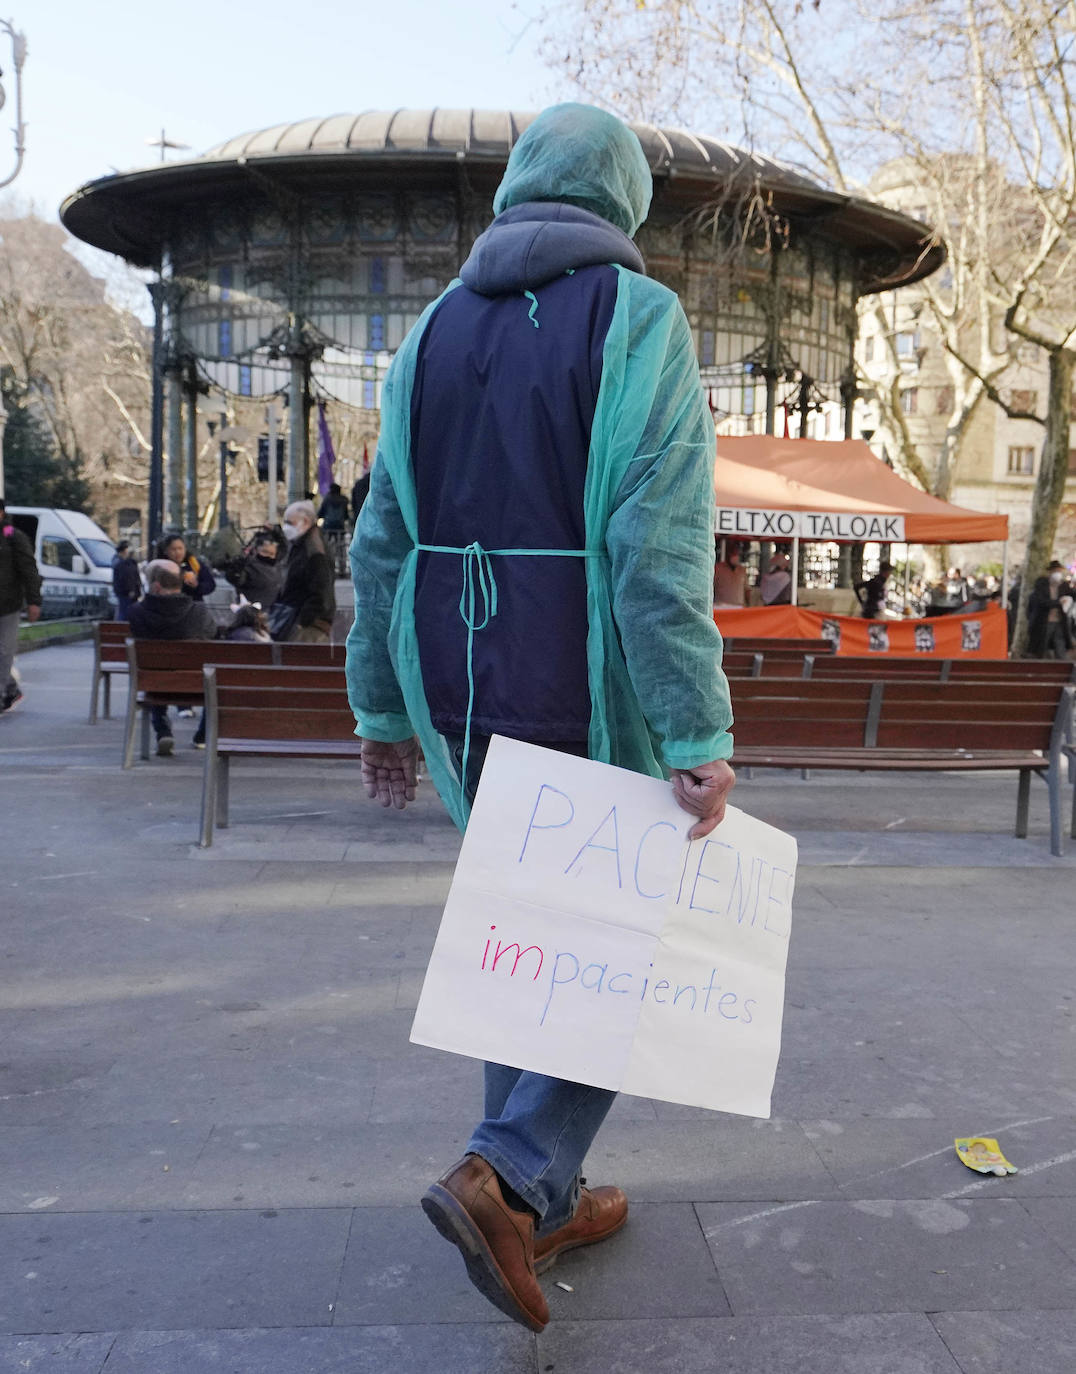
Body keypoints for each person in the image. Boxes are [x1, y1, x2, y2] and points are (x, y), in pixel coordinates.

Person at [347, 103, 735, 1333]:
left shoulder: (428, 333)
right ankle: (508, 1171)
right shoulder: (637, 319)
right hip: (584, 674)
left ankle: (545, 1190)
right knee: (622, 944)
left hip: (458, 679)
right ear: (618, 199)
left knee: (524, 933)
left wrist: (378, 705)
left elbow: (378, 542)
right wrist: (692, 729)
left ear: (518, 188)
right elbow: (653, 543)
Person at [127, 559, 216, 754]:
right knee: (214, 679)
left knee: (156, 670)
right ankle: (202, 736)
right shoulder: (199, 612)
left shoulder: (136, 613)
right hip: (198, 684)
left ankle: (163, 730)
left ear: (156, 586)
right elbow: (213, 635)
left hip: (152, 682)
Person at [0, 495, 42, 714]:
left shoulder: (12, 537)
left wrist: (34, 601)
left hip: (8, 605)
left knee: (4, 652)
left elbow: (29, 570)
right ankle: (10, 689)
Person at [273, 500, 336, 642]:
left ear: (305, 522)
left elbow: (321, 591)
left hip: (308, 625)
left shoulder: (314, 550)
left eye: (290, 523)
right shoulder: (303, 544)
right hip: (298, 620)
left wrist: (302, 621)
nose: (286, 527)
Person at [220, 527, 285, 610]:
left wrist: (276, 531)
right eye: (265, 552)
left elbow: (285, 547)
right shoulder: (249, 565)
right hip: (253, 613)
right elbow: (237, 578)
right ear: (256, 550)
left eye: (272, 554)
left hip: (274, 612)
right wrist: (236, 569)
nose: (269, 556)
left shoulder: (276, 564)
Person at [1027, 561, 1073, 659]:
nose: (1058, 573)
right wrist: (1058, 602)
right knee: (1042, 645)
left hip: (1060, 621)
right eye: (1056, 571)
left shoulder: (1063, 585)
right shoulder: (1041, 584)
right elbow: (1040, 601)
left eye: (1059, 571)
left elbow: (1071, 595)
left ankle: (1062, 667)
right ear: (1050, 572)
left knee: (1060, 644)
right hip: (1044, 621)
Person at [156, 533, 216, 602]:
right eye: (173, 549)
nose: (178, 552)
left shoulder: (194, 564)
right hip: (168, 604)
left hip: (193, 605)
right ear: (165, 551)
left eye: (180, 548)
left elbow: (210, 584)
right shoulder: (160, 566)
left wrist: (197, 586)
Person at [111, 540, 142, 620]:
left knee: (125, 612)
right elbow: (127, 577)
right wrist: (131, 590)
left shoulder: (122, 562)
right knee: (125, 613)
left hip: (126, 592)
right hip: (127, 593)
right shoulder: (122, 563)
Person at [713, 542, 748, 608]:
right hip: (720, 606)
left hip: (738, 606)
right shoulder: (718, 568)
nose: (736, 555)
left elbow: (747, 589)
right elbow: (711, 586)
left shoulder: (742, 570)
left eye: (737, 553)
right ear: (728, 553)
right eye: (733, 553)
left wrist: (748, 605)